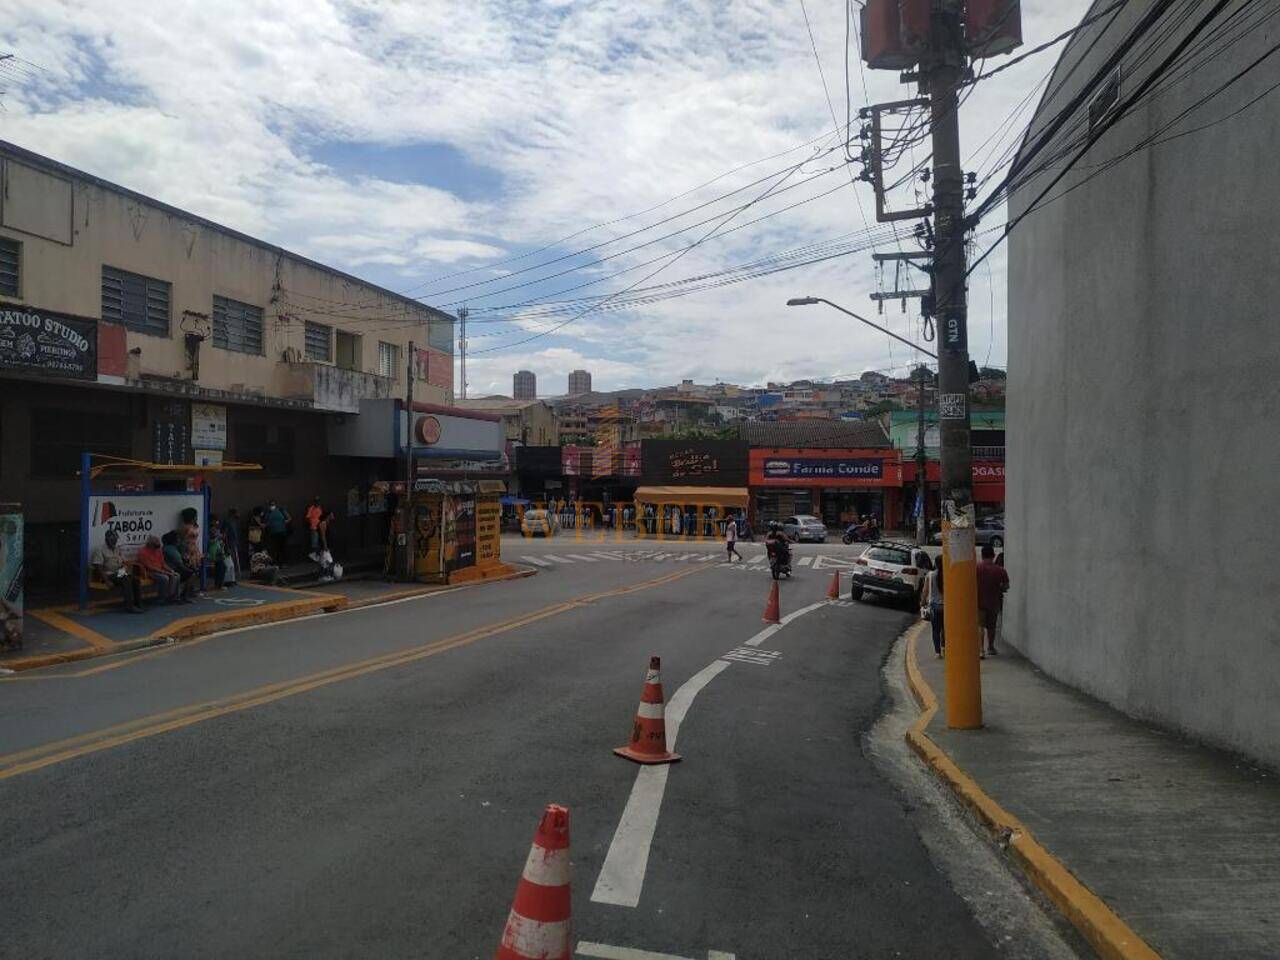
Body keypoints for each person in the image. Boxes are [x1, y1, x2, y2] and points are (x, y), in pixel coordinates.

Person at [91, 529, 143, 612]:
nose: (114, 541)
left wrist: (125, 568)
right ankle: (129, 607)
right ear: (107, 539)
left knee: (135, 579)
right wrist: (107, 581)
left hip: (119, 572)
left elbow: (122, 562)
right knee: (126, 579)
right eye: (112, 539)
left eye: (115, 539)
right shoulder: (100, 549)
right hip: (108, 574)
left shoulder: (117, 549)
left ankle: (138, 604)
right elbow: (98, 567)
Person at [976, 543, 1010, 658]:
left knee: (980, 625)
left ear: (982, 555)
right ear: (993, 555)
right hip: (994, 601)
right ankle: (990, 647)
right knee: (991, 626)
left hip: (979, 601)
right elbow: (1006, 587)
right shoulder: (1000, 570)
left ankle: (981, 650)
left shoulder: (977, 568)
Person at [136, 534, 179, 603]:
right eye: (156, 543)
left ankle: (173, 596)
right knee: (165, 578)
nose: (158, 545)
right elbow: (150, 567)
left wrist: (171, 570)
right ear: (150, 544)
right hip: (149, 572)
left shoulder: (158, 550)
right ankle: (161, 598)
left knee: (176, 575)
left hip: (160, 570)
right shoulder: (142, 552)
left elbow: (163, 563)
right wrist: (165, 572)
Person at [920, 555, 945, 658]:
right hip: (946, 606)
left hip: (934, 606)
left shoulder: (930, 575)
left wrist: (922, 602)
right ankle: (945, 647)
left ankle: (937, 652)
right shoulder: (948, 575)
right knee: (946, 629)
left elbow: (925, 591)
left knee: (936, 630)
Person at [161, 531, 197, 602]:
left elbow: (181, 559)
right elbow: (178, 563)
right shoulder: (169, 549)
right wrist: (187, 569)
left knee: (191, 572)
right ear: (173, 540)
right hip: (171, 569)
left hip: (176, 568)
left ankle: (184, 595)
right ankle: (181, 596)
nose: (179, 540)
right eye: (177, 539)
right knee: (190, 573)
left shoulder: (174, 548)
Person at [265, 499, 291, 563]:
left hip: (282, 532)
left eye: (273, 504)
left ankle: (283, 561)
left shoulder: (281, 510)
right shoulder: (268, 513)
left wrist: (284, 522)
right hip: (273, 533)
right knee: (275, 548)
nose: (272, 506)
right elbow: (266, 522)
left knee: (282, 547)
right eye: (271, 505)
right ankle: (278, 561)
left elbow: (289, 518)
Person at [207, 519, 228, 590]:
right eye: (216, 520)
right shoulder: (211, 529)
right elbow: (213, 539)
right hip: (215, 551)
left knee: (220, 567)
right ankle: (219, 585)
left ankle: (218, 584)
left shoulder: (216, 529)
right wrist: (219, 537)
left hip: (218, 550)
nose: (217, 522)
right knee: (221, 567)